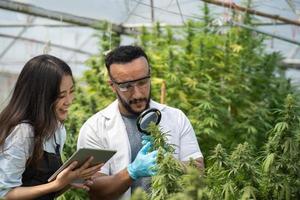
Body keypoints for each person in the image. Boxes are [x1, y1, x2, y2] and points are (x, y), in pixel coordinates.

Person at [77, 45, 204, 200]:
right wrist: (131, 172)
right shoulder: (95, 128)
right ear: (112, 85)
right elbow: (94, 190)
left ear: (150, 75)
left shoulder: (176, 118)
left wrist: (170, 162)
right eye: (126, 86)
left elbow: (198, 171)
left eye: (143, 82)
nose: (137, 93)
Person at [0, 54, 102, 200]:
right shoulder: (22, 133)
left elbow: (46, 191)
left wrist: (71, 180)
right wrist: (56, 185)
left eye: (71, 92)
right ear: (41, 97)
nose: (69, 101)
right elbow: (5, 194)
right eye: (61, 95)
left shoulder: (57, 130)